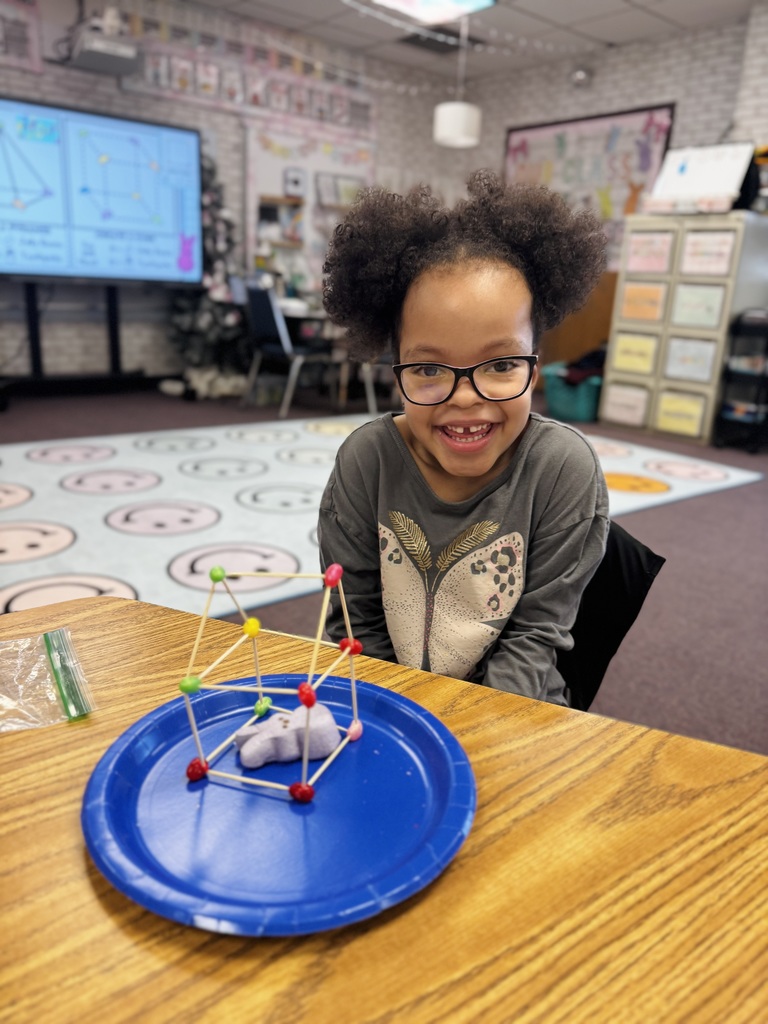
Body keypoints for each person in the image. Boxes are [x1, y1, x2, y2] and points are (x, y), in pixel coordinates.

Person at [317, 169, 610, 705]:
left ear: (535, 366)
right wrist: (404, 722)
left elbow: (533, 639)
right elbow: (354, 626)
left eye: (500, 364)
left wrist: (466, 733)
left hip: (511, 712)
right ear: (396, 372)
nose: (466, 398)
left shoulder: (562, 468)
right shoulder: (367, 461)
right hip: (390, 707)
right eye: (429, 369)